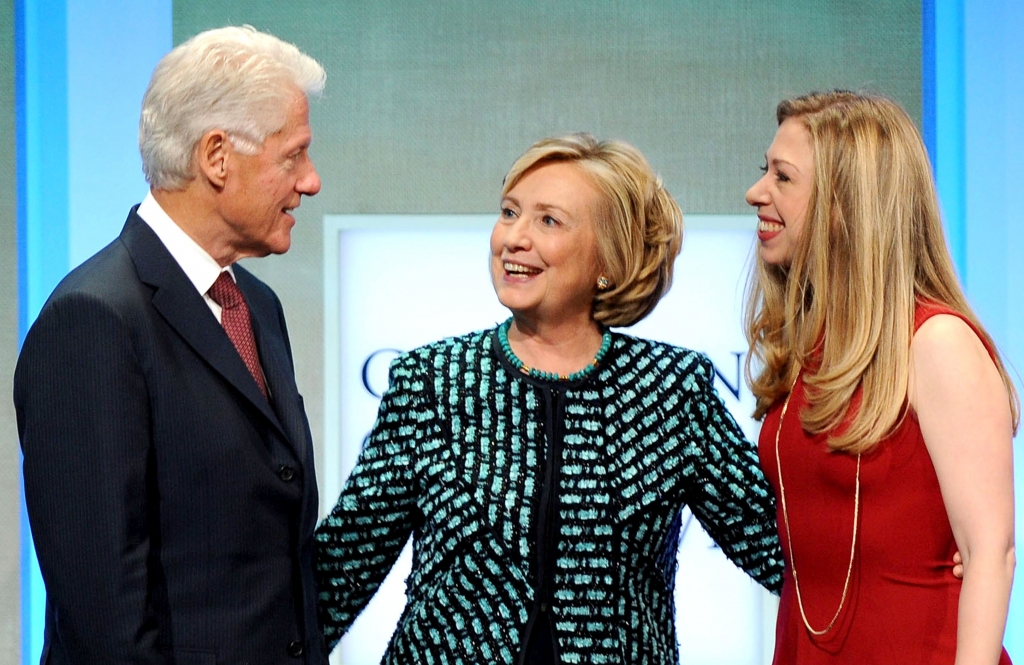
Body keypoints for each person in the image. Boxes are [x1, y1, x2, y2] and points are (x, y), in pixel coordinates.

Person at [315, 133, 783, 664]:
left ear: (607, 256)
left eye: (548, 221)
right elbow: (341, 570)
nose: (514, 238)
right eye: (509, 212)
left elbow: (780, 554)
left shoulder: (674, 388)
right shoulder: (431, 380)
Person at [15, 26, 327, 664]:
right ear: (217, 157)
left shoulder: (255, 305)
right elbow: (104, 612)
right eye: (293, 155)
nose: (312, 181)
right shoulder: (94, 318)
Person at [745, 90, 1018, 664]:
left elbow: (989, 551)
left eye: (783, 178)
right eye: (763, 171)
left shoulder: (936, 342)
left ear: (846, 206)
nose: (757, 193)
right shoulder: (807, 344)